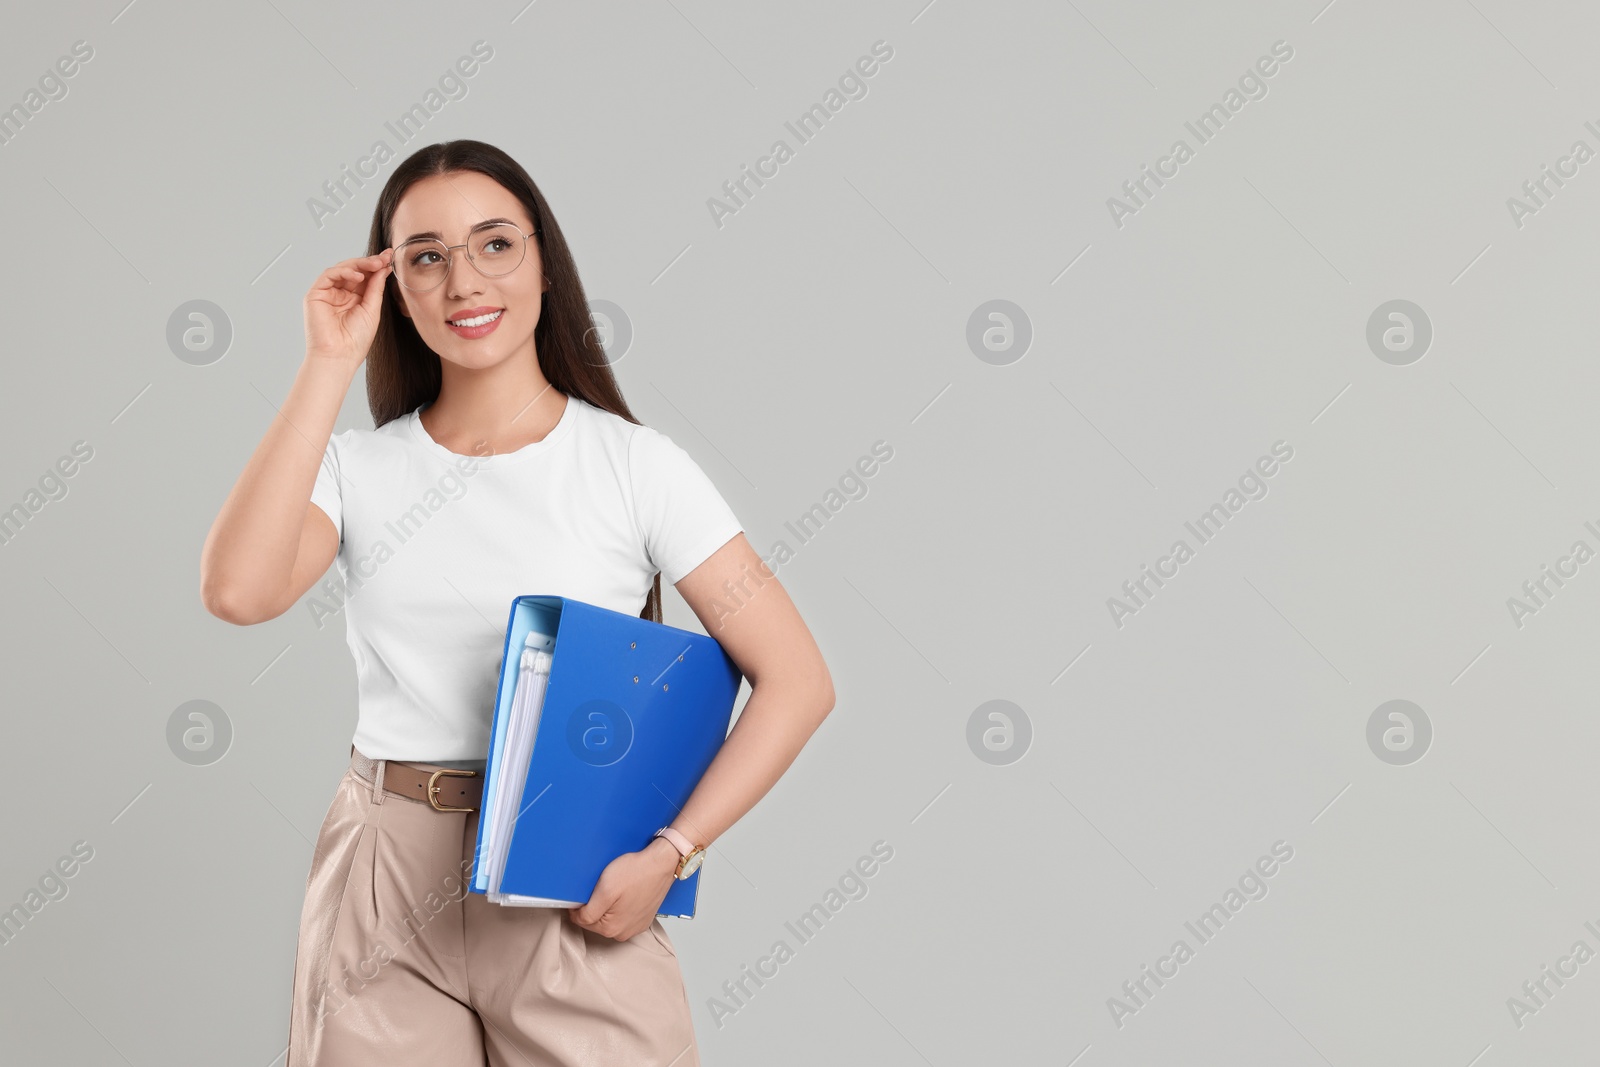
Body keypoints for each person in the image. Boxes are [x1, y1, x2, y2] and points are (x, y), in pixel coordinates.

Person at [199, 139, 835, 1066]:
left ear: (543, 261)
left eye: (494, 244)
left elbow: (797, 681)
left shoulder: (634, 466)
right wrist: (328, 363)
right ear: (396, 288)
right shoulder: (359, 469)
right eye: (426, 257)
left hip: (569, 868)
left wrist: (671, 852)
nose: (463, 281)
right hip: (383, 874)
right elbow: (238, 590)